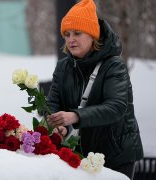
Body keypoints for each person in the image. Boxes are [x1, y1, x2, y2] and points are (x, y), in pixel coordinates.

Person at [45, 0, 143, 179]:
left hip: (116, 154)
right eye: (66, 34)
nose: (70, 39)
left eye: (77, 33)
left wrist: (75, 116)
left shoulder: (114, 65)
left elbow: (117, 106)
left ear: (93, 35)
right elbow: (52, 103)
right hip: (80, 153)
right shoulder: (63, 66)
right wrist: (57, 125)